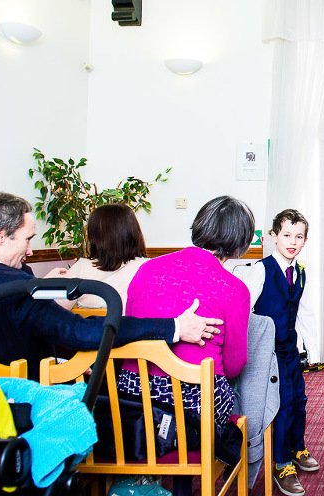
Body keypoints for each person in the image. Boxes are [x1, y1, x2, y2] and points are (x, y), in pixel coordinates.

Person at [0, 191, 221, 380]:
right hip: (16, 415)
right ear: (0, 235)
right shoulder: (17, 289)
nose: (30, 252)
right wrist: (173, 327)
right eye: (28, 239)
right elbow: (81, 332)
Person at [118, 195, 254, 496]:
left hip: (130, 400)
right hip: (193, 404)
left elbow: (131, 328)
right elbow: (234, 364)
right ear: (239, 242)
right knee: (225, 394)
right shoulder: (233, 289)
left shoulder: (146, 270)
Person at [242, 209, 317, 496]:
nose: (292, 241)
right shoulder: (261, 270)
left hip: (288, 349)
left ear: (305, 240)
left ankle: (297, 447)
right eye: (286, 235)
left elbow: (302, 312)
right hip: (267, 353)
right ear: (274, 236)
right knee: (282, 404)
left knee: (299, 399)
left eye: (299, 236)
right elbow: (244, 310)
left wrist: (310, 348)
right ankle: (281, 462)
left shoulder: (300, 272)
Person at [45, 203, 148, 310]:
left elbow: (54, 311)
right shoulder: (151, 268)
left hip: (93, 326)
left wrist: (47, 283)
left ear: (94, 237)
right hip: (137, 326)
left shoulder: (82, 268)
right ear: (134, 233)